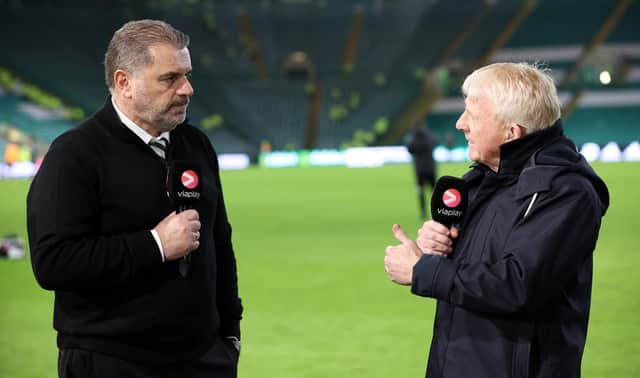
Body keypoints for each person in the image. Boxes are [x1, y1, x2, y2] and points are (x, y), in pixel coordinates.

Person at [27, 20, 243, 378]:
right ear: (125, 83)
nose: (186, 89)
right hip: (113, 360)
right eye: (169, 78)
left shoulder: (195, 144)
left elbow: (219, 245)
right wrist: (155, 244)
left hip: (203, 359)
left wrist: (230, 334)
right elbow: (53, 262)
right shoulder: (75, 154)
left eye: (187, 75)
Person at [384, 62, 609, 377]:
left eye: (473, 116)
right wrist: (438, 249)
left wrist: (425, 272)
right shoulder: (482, 179)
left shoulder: (567, 193)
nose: (461, 124)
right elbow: (474, 270)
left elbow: (518, 285)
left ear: (512, 132)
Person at [406, 120, 437, 219]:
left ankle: (423, 212)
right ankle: (436, 210)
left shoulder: (413, 138)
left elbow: (410, 150)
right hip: (431, 168)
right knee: (434, 191)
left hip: (420, 169)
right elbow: (435, 143)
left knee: (421, 191)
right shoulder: (428, 136)